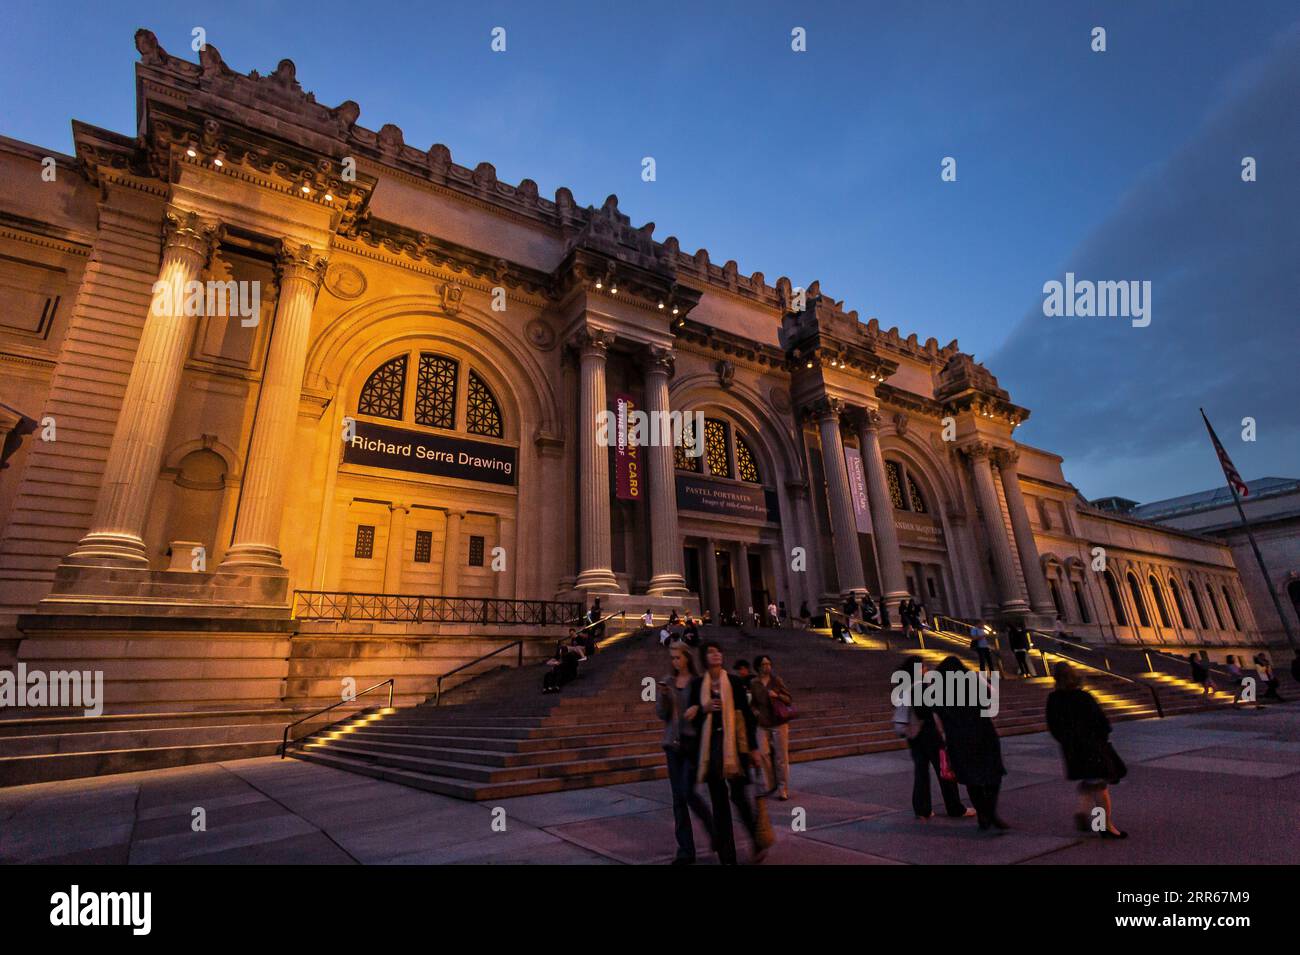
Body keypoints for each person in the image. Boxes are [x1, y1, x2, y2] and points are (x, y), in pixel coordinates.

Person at [692, 641, 773, 864]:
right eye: (711, 652)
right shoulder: (699, 684)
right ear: (704, 658)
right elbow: (692, 718)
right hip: (710, 750)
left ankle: (756, 840)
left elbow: (747, 717)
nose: (716, 655)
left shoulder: (735, 683)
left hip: (735, 750)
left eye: (718, 651)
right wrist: (703, 709)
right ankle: (728, 857)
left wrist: (754, 749)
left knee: (739, 798)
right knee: (719, 804)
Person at [1045, 662, 1128, 839]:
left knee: (1091, 781)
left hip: (1072, 749)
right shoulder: (1083, 697)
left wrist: (1066, 741)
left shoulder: (1053, 699)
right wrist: (1102, 738)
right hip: (1092, 746)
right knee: (1100, 788)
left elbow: (1053, 726)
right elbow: (1101, 721)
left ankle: (1083, 811)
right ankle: (1104, 826)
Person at [656, 642, 714, 864]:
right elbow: (662, 714)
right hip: (672, 745)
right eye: (672, 658)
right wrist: (662, 696)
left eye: (678, 657)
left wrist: (698, 708)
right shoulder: (668, 682)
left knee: (688, 793)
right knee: (678, 799)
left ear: (688, 658)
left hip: (692, 744)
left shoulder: (698, 683)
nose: (674, 661)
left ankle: (712, 829)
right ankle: (686, 851)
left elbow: (707, 707)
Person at [934, 656, 1007, 831]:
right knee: (993, 774)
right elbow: (990, 699)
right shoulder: (972, 681)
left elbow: (938, 720)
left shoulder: (937, 690)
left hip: (958, 739)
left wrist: (944, 739)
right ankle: (990, 811)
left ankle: (983, 812)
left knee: (971, 778)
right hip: (982, 733)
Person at [893, 656, 969, 820]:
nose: (926, 669)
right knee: (944, 770)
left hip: (915, 738)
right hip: (931, 734)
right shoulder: (923, 688)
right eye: (923, 667)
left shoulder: (904, 690)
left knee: (921, 773)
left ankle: (922, 810)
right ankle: (955, 807)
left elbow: (900, 717)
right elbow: (934, 713)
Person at [749, 654, 793, 800]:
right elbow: (753, 702)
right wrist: (755, 711)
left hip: (778, 722)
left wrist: (777, 696)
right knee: (763, 754)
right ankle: (770, 785)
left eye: (768, 664)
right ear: (758, 667)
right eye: (763, 664)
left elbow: (789, 699)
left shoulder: (776, 681)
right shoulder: (754, 683)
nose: (767, 667)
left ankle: (783, 788)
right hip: (763, 723)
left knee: (781, 757)